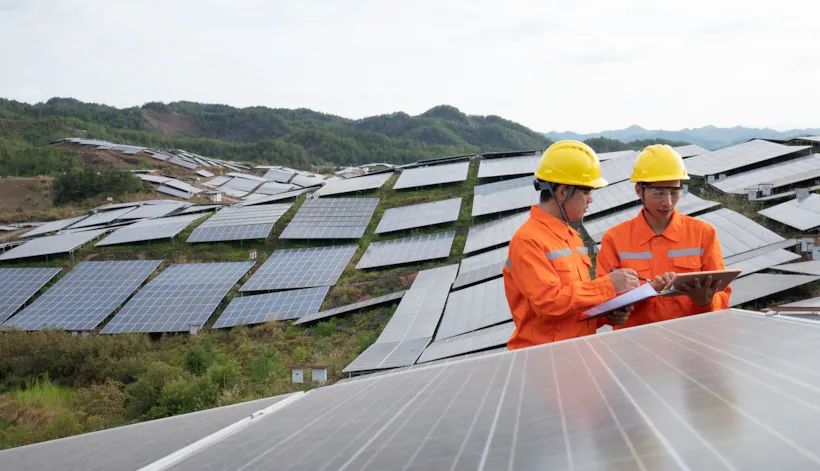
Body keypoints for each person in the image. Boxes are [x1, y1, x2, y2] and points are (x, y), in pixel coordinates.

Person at [503, 140, 640, 350]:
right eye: (586, 192)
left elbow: (574, 305)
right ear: (562, 191)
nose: (590, 200)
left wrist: (605, 316)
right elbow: (549, 303)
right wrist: (608, 285)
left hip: (576, 354)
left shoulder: (572, 237)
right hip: (544, 360)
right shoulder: (528, 241)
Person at [595, 144, 731, 330]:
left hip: (691, 340)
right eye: (658, 193)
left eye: (674, 192)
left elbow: (723, 296)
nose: (667, 202)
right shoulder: (615, 239)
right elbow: (604, 300)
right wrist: (626, 304)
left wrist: (706, 302)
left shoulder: (703, 234)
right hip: (637, 344)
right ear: (638, 190)